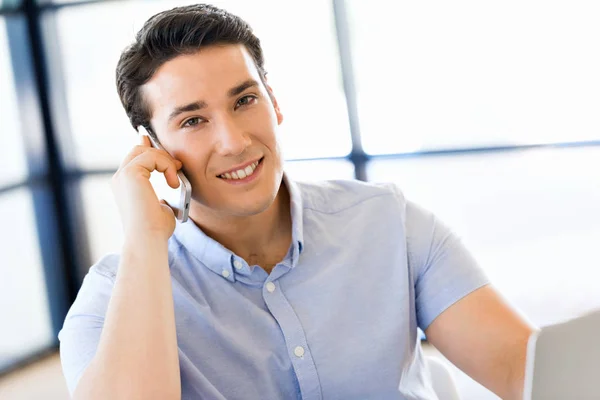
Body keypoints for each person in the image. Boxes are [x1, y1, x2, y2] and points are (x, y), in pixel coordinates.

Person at [58, 4, 535, 399]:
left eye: (244, 100)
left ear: (274, 101)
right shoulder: (109, 300)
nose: (234, 141)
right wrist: (145, 237)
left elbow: (524, 373)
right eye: (192, 121)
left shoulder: (390, 224)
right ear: (151, 148)